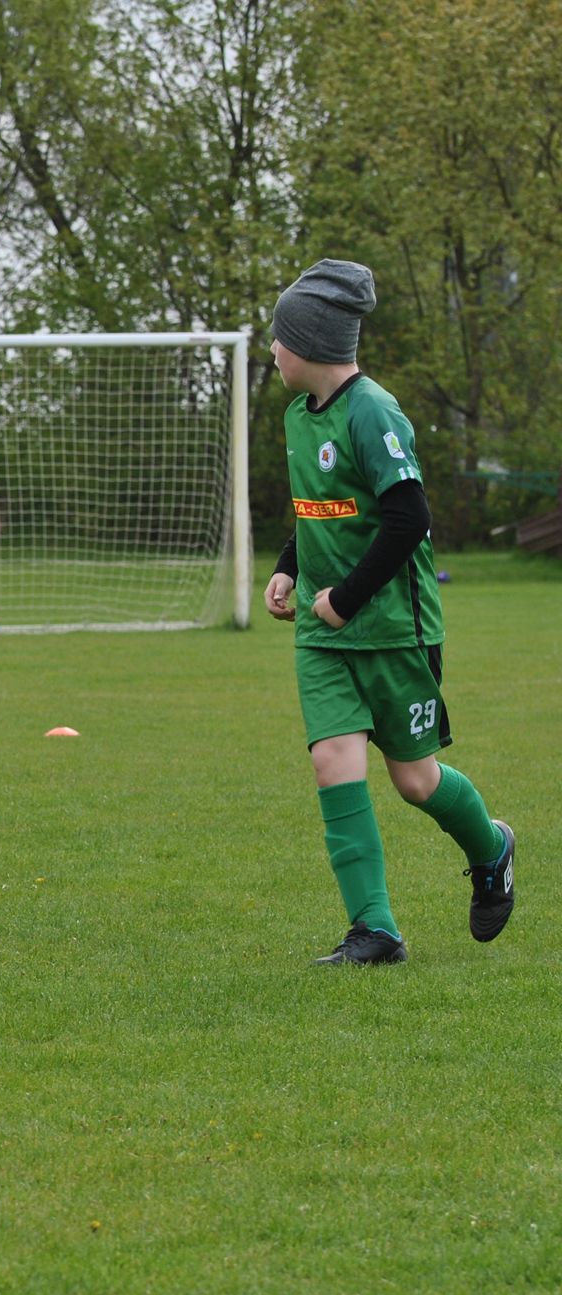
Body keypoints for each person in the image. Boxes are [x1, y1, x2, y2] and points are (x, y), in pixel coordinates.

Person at [262, 259, 515, 966]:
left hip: (393, 629)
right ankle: (375, 929)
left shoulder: (375, 411)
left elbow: (407, 518)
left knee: (415, 780)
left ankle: (491, 847)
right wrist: (288, 567)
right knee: (333, 763)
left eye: (279, 338)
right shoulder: (294, 417)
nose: (273, 350)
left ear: (309, 342)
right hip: (324, 635)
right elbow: (320, 511)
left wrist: (344, 599)